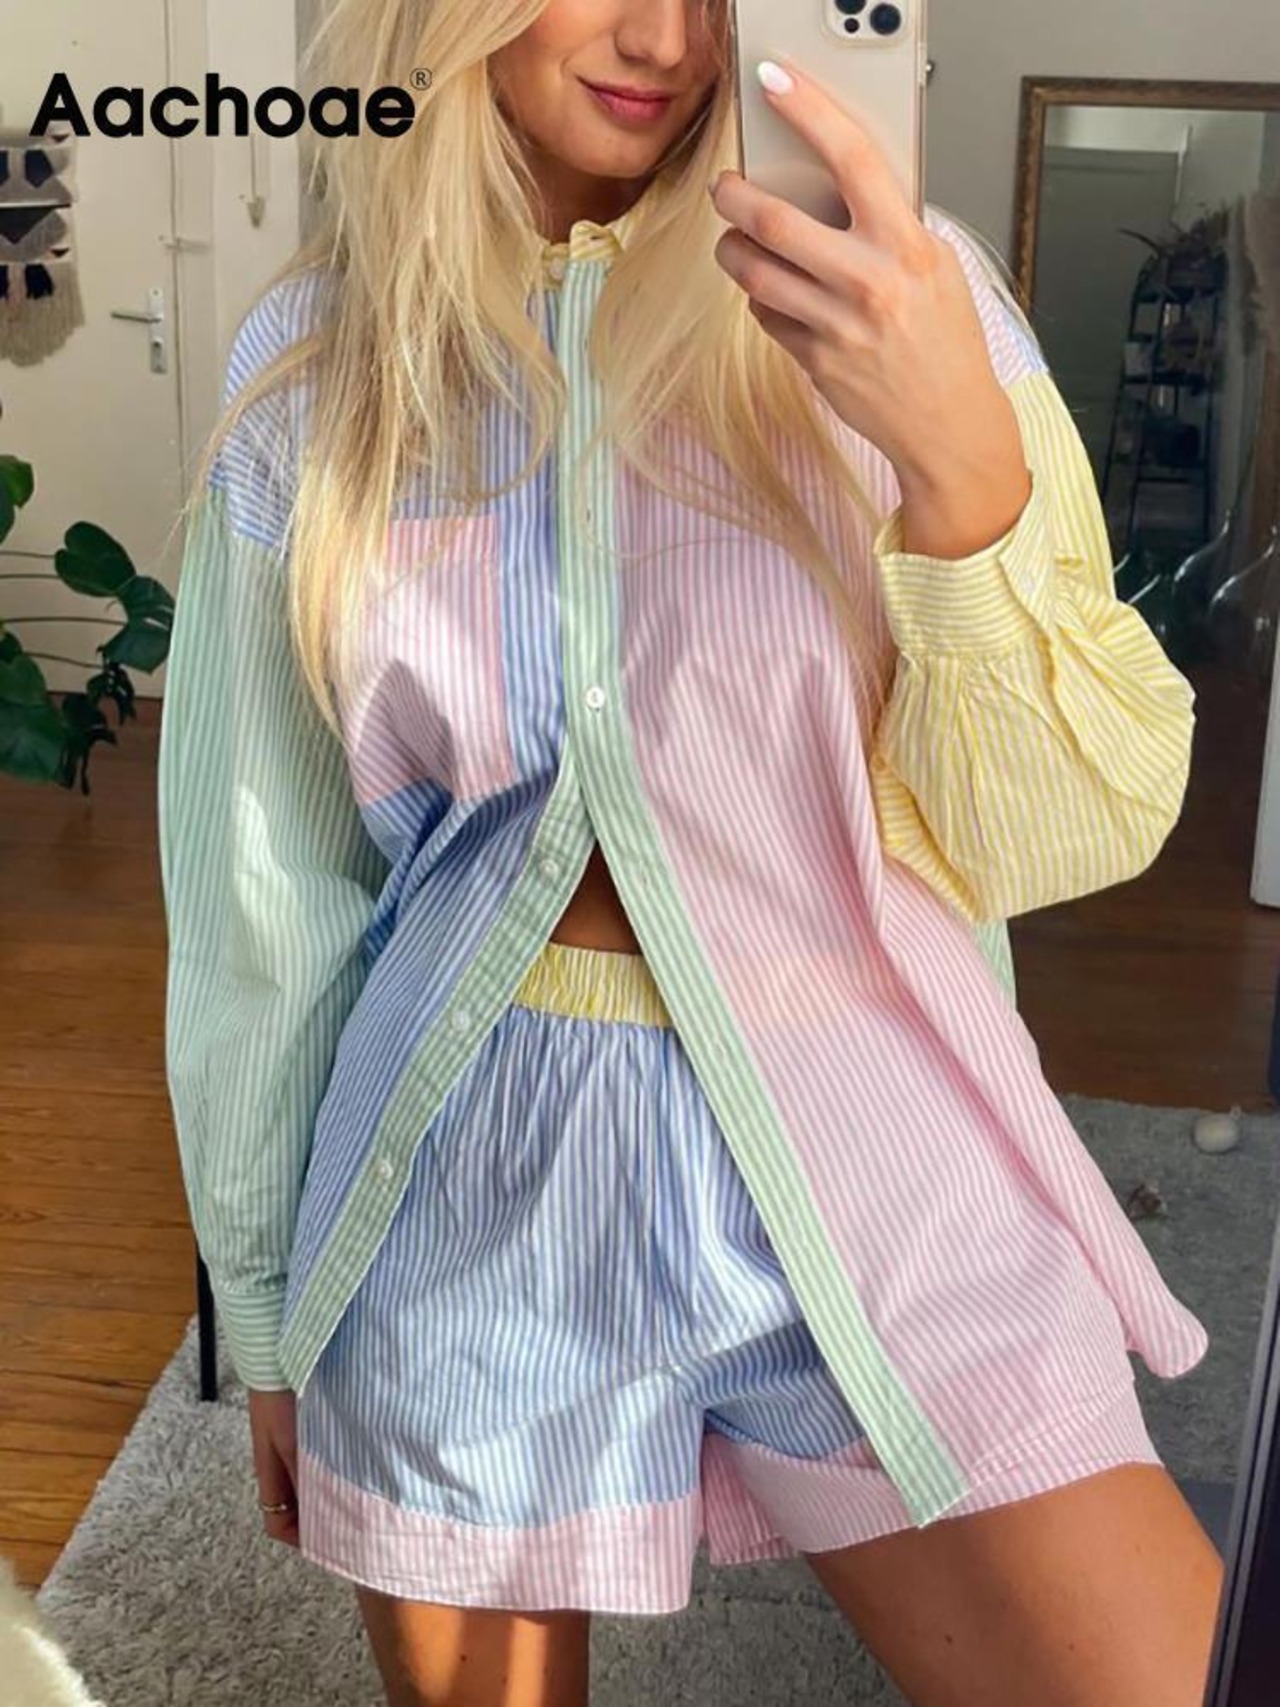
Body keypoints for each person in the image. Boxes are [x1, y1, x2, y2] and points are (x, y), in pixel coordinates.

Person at [157, 3, 1226, 1704]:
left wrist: (958, 462)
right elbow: (263, 899)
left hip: (873, 1131)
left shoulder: (906, 290)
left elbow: (1057, 831)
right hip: (465, 1180)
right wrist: (269, 1310)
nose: (668, 35)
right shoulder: (325, 358)